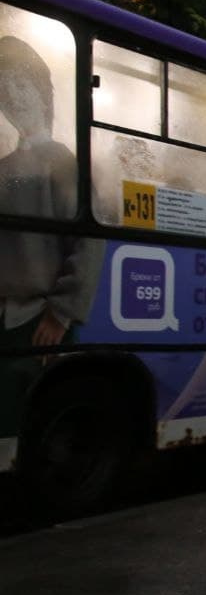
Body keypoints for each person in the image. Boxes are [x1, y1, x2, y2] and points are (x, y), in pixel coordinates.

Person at [0, 35, 104, 442]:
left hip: (39, 324)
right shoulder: (6, 165)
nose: (11, 95)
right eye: (3, 87)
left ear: (43, 92)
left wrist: (59, 314)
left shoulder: (62, 162)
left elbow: (89, 241)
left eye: (20, 83)